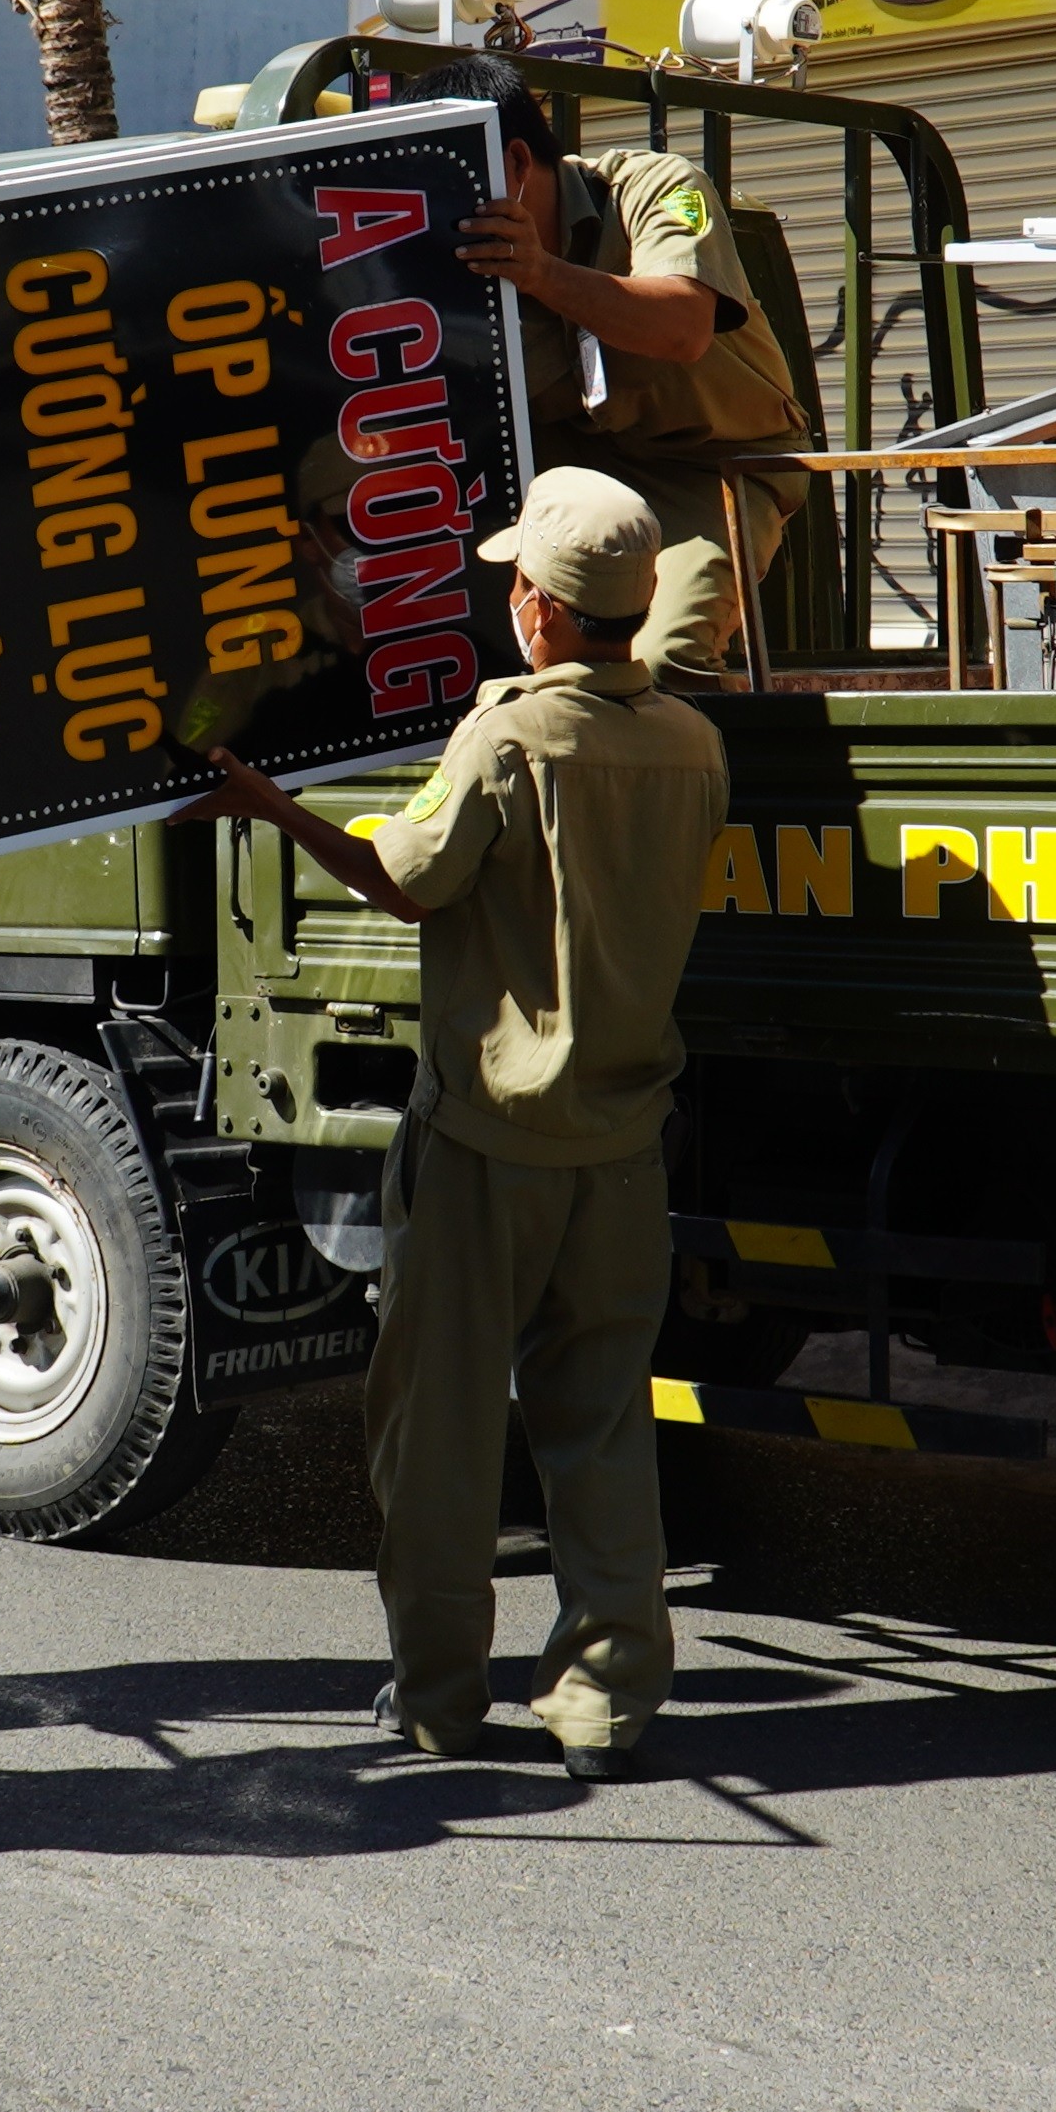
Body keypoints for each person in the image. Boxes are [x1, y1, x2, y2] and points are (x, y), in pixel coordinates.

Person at [192, 466, 732, 1782]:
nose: (505, 598)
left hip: (489, 1145)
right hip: (619, 1146)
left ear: (544, 612)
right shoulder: (689, 743)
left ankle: (440, 1699)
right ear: (641, 601)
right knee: (600, 1429)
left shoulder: (511, 737)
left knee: (436, 1438)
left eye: (514, 583)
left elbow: (407, 880)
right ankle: (605, 1700)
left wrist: (267, 806)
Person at [458, 136, 815, 682]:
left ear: (517, 162)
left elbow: (684, 327)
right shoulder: (447, 255)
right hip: (569, 476)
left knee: (658, 666)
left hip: (708, 467)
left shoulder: (655, 188)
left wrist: (541, 273)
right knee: (480, 656)